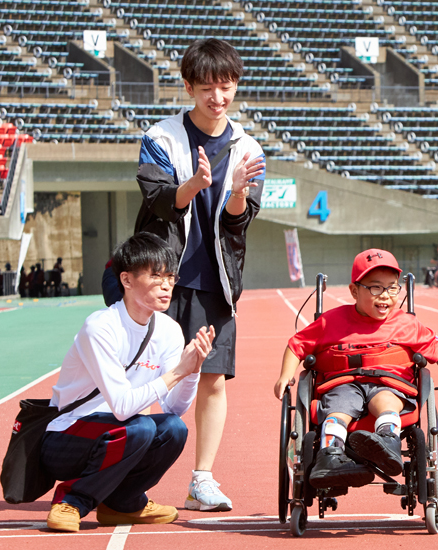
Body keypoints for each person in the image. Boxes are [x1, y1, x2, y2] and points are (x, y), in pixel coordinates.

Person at [134, 37, 266, 512]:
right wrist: (191, 185)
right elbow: (156, 199)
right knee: (143, 376)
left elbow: (240, 220)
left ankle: (202, 480)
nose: (218, 97)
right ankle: (128, 477)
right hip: (159, 278)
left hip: (216, 281)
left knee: (211, 380)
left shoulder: (249, 147)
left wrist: (234, 194)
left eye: (226, 87)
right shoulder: (161, 136)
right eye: (208, 87)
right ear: (188, 86)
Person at [41, 233, 215, 532]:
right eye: (156, 275)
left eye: (171, 277)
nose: (166, 285)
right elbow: (122, 407)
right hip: (66, 437)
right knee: (140, 426)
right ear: (127, 280)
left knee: (174, 430)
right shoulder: (101, 327)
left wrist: (193, 370)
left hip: (118, 431)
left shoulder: (169, 330)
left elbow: (174, 409)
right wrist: (176, 372)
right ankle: (71, 500)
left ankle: (122, 502)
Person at [273, 249, 438, 488]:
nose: (385, 296)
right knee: (338, 409)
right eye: (375, 288)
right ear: (354, 291)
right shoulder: (332, 321)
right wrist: (285, 375)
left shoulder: (406, 323)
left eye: (392, 288)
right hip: (343, 384)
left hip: (388, 383)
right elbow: (296, 345)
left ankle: (386, 443)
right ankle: (330, 458)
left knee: (386, 401)